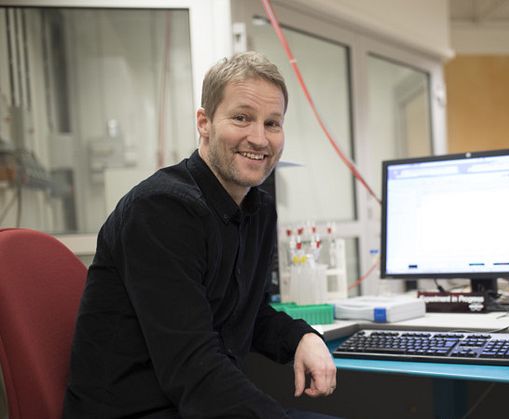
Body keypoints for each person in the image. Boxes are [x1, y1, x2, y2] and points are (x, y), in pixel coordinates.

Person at [64, 51, 338, 418]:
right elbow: (191, 365)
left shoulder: (258, 209)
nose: (259, 138)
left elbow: (247, 314)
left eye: (272, 123)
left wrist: (301, 337)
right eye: (242, 118)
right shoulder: (160, 210)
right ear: (204, 122)